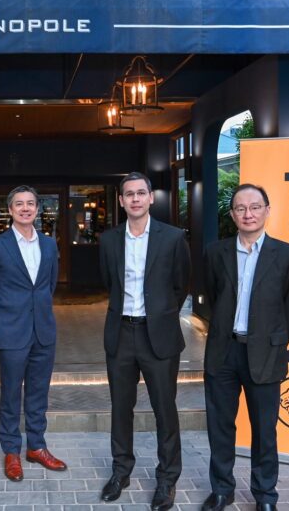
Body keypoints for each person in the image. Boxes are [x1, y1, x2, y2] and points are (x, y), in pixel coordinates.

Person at [201, 184, 289, 511]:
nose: (248, 214)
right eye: (241, 208)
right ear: (232, 215)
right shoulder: (215, 253)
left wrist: (273, 342)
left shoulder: (287, 255)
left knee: (264, 430)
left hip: (265, 354)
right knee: (220, 426)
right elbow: (212, 298)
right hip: (223, 352)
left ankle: (265, 495)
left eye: (255, 207)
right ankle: (222, 490)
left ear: (267, 211)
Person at [98, 172, 190, 511]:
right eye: (129, 194)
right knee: (121, 408)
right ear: (121, 201)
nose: (135, 199)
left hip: (159, 336)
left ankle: (167, 478)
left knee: (165, 409)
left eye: (141, 193)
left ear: (151, 198)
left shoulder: (173, 238)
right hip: (121, 334)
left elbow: (181, 285)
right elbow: (109, 282)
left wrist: (160, 315)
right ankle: (121, 471)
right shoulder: (109, 240)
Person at [0, 185, 67, 481]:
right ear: (10, 210)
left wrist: (35, 312)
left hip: (44, 331)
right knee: (11, 394)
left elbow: (48, 286)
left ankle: (37, 447)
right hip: (11, 332)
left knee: (39, 393)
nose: (25, 208)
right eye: (19, 204)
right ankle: (12, 451)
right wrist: (6, 317)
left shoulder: (49, 245)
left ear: (37, 209)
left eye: (30, 203)